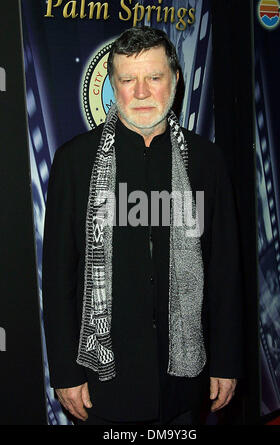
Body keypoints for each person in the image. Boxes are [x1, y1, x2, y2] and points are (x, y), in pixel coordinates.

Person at [42, 26, 243, 426]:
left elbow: (225, 269)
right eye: (128, 80)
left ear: (175, 80)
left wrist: (227, 360)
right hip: (104, 384)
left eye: (154, 77)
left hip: (184, 382)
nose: (142, 92)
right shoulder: (74, 162)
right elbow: (58, 276)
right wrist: (65, 372)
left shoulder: (207, 161)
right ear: (113, 86)